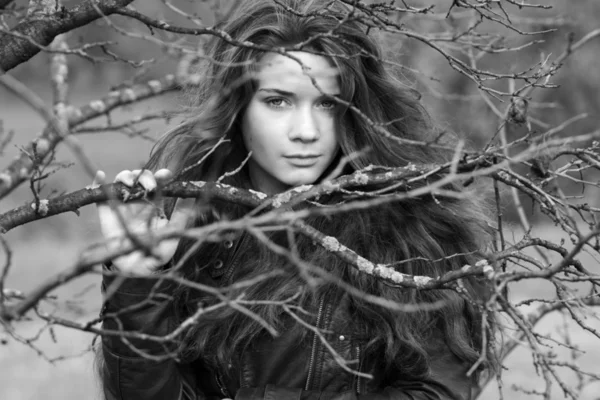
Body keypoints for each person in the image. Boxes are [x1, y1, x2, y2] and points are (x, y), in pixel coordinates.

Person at [95, 0, 495, 399]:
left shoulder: (418, 229)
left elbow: (438, 390)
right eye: (278, 101)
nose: (305, 131)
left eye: (327, 104)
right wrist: (137, 281)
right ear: (237, 110)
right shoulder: (191, 231)